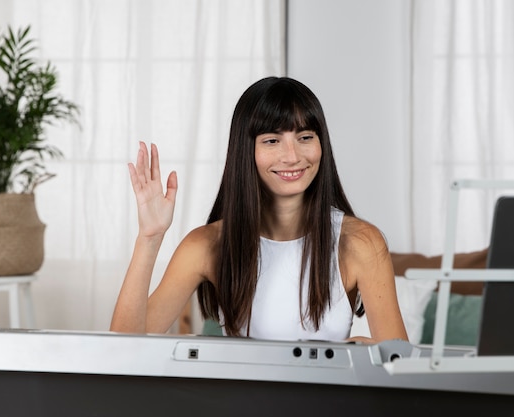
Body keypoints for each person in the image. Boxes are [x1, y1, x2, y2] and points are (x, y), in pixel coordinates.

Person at [110, 76, 407, 344]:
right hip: (237, 403)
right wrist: (149, 237)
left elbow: (400, 366)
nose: (292, 156)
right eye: (272, 141)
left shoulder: (361, 242)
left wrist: (364, 352)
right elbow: (124, 348)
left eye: (305, 137)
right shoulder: (206, 245)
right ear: (246, 150)